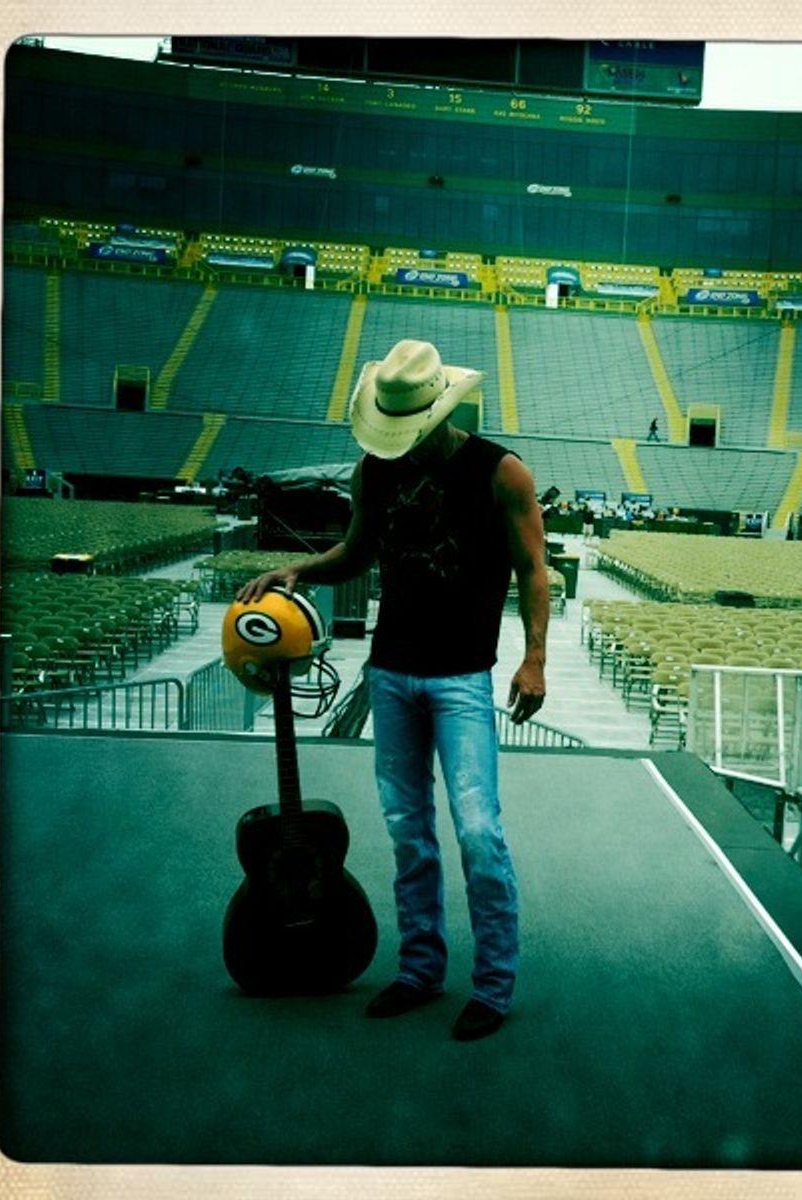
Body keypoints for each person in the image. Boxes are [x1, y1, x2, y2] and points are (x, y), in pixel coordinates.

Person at [237, 339, 549, 1042]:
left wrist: (534, 658)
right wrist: (299, 570)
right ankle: (420, 970)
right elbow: (357, 551)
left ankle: (494, 985)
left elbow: (534, 569)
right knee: (409, 831)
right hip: (392, 672)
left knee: (477, 830)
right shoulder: (373, 472)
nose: (399, 443)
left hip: (462, 677)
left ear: (440, 412)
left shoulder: (502, 473)